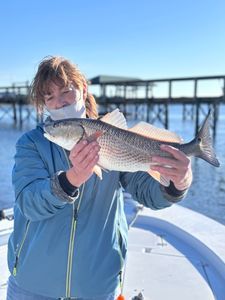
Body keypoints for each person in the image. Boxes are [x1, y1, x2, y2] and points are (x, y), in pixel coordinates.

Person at [7, 56, 193, 300]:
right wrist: (70, 180)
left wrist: (177, 184)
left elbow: (148, 193)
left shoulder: (111, 136)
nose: (59, 102)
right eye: (49, 97)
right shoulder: (31, 143)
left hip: (97, 287)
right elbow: (29, 203)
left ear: (83, 90)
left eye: (66, 92)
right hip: (33, 286)